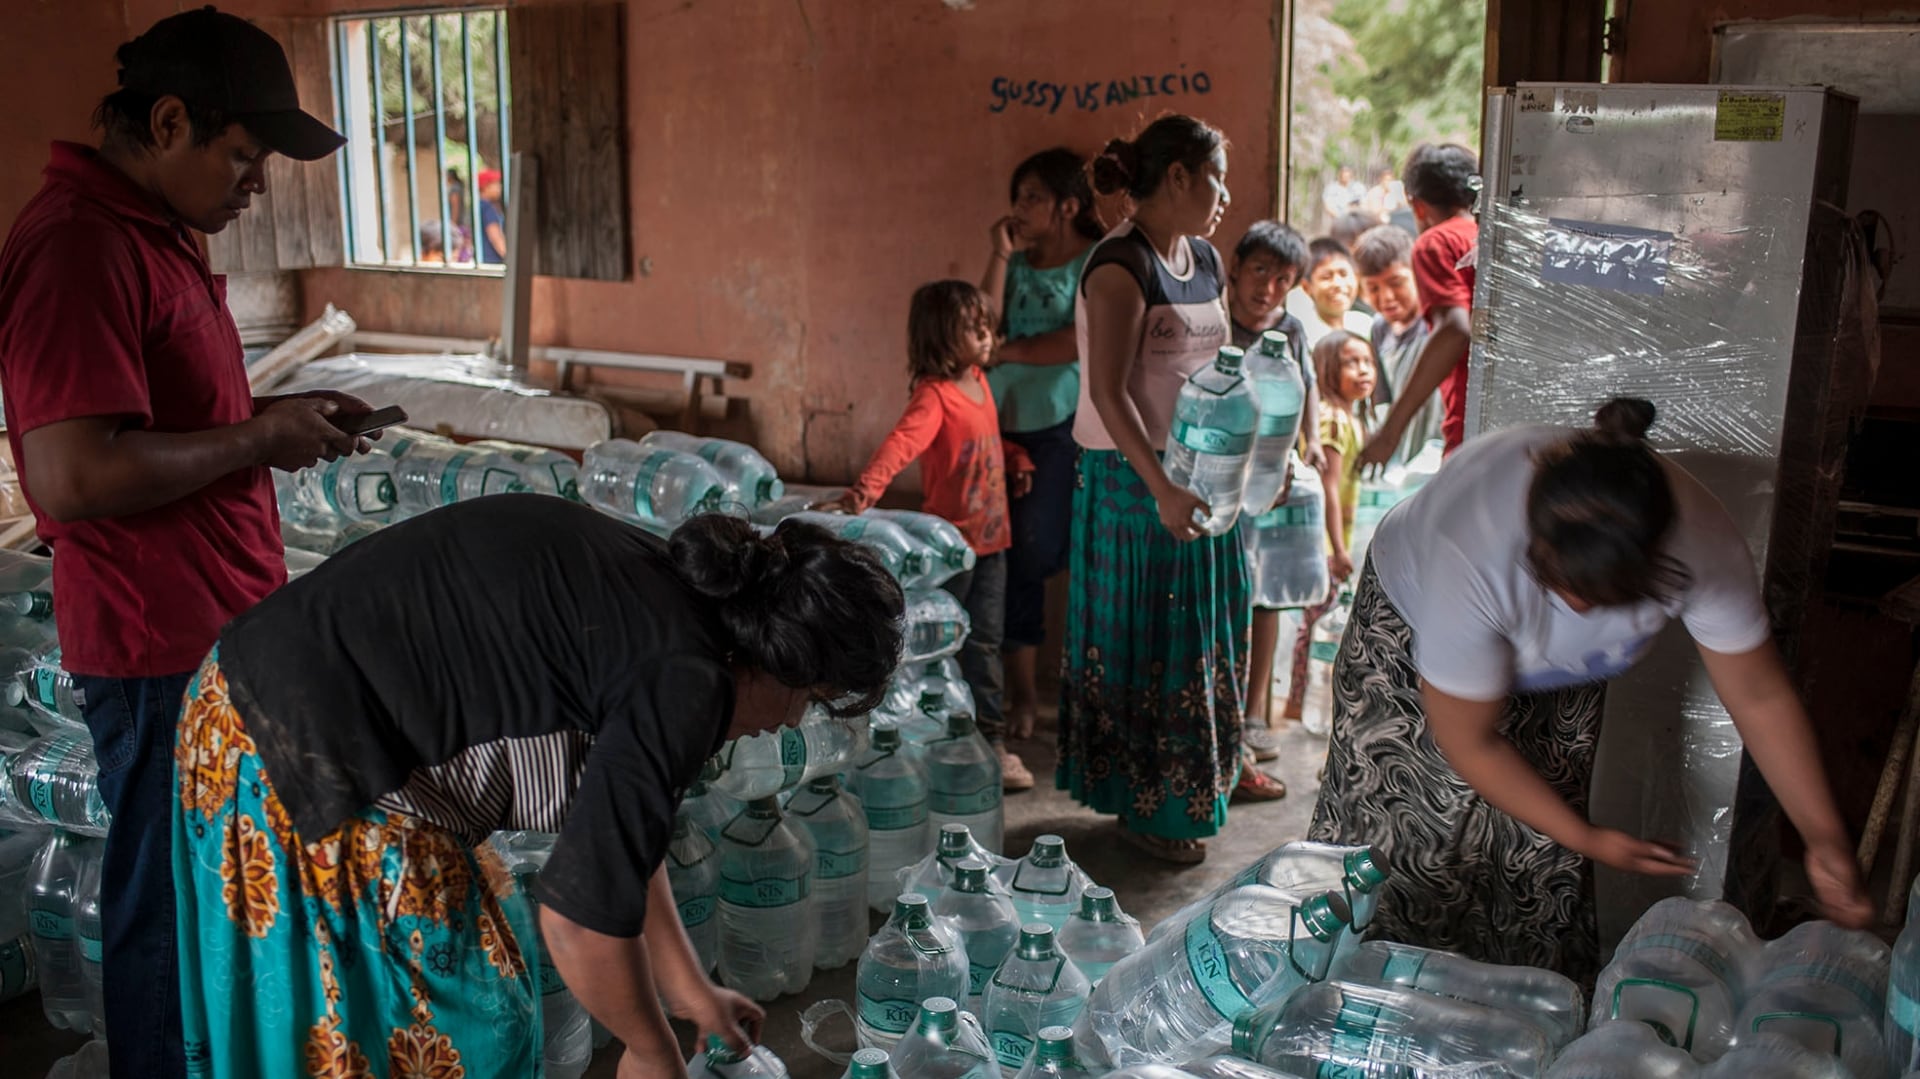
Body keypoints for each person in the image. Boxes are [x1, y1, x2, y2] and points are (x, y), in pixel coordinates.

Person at [173, 500, 905, 1078]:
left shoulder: (680, 604)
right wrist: (649, 1048)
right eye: (807, 700)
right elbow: (577, 919)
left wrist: (687, 990)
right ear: (780, 662)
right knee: (477, 1033)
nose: (785, 724)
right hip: (298, 757)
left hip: (245, 707)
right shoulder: (687, 679)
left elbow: (617, 842)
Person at [0, 10, 367, 1076]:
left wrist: (279, 423)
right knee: (165, 892)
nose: (254, 185)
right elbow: (72, 472)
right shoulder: (78, 246)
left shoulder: (151, 234)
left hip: (211, 623)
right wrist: (256, 434)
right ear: (168, 122)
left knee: (216, 883)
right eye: (242, 156)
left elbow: (168, 419)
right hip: (156, 642)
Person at [1308, 399, 1873, 980]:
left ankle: (1507, 1017)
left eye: (1602, 599)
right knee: (1405, 845)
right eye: (1561, 585)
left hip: (1560, 675)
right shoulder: (1474, 548)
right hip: (1411, 632)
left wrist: (1822, 837)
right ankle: (1369, 1002)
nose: (1575, 605)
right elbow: (1470, 743)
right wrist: (1590, 837)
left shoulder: (1699, 543)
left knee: (1535, 858)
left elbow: (1759, 695)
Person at [1059, 113, 1247, 863]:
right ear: (1177, 177)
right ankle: (1145, 806)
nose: (1224, 194)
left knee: (1199, 632)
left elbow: (1216, 367)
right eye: (1216, 178)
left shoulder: (1203, 257)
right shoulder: (1119, 266)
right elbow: (1109, 392)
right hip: (1134, 483)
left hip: (1198, 473)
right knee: (1148, 640)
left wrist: (1248, 451)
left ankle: (1195, 786)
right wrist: (1164, 487)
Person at [816, 281, 1034, 788]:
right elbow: (900, 446)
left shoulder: (979, 381)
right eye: (971, 326)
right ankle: (929, 733)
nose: (986, 332)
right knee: (936, 643)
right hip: (949, 554)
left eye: (986, 322)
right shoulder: (934, 396)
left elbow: (987, 441)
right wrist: (858, 497)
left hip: (994, 548)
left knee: (985, 642)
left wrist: (1016, 459)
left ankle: (991, 742)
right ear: (940, 336)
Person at [978, 148, 1102, 752]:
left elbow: (1075, 344)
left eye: (1031, 198)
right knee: (1015, 561)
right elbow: (983, 321)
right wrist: (1000, 255)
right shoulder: (1018, 264)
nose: (1018, 210)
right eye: (1017, 198)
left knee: (1046, 552)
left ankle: (1076, 693)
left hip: (1058, 431)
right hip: (998, 428)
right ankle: (1023, 692)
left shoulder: (1092, 266)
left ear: (1067, 206)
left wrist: (1006, 352)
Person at [1225, 219, 1321, 772]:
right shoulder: (1213, 323)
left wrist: (1311, 444)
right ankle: (1222, 706)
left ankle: (1255, 713)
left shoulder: (1290, 330)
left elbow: (1305, 388)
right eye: (1260, 271)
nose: (1268, 288)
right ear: (1236, 268)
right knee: (1226, 592)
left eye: (1283, 279)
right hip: (1220, 480)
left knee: (1265, 595)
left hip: (1271, 480)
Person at [1359, 143, 1477, 467]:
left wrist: (1390, 432)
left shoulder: (1436, 242)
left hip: (1470, 427)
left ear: (1418, 206)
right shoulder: (1491, 235)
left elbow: (1455, 328)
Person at [1283, 331, 1374, 722]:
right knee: (1314, 627)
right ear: (1326, 370)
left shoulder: (1350, 417)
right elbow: (1328, 487)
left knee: (1314, 623)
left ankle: (1297, 702)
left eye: (1368, 361)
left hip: (1327, 540)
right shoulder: (1334, 421)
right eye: (1351, 362)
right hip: (1321, 543)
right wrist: (1338, 549)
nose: (1364, 370)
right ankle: (1295, 703)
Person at [1352, 224, 1438, 463]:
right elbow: (1382, 398)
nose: (1386, 297)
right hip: (1403, 454)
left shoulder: (1436, 324)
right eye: (1373, 289)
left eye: (1397, 282)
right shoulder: (1378, 328)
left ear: (1417, 273)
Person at [1286, 238, 1374, 347]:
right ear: (1306, 287)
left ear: (1356, 277)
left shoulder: (1365, 325)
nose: (1337, 284)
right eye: (1326, 277)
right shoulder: (1302, 335)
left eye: (1343, 274)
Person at [1320, 165, 1365, 233]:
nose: (1346, 178)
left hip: (1355, 219)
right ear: (1339, 176)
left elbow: (1364, 203)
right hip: (1338, 220)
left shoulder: (1358, 187)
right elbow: (1328, 207)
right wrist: (1340, 218)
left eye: (1348, 176)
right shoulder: (1331, 188)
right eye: (1344, 176)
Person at [478, 166, 507, 265]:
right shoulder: (487, 207)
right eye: (496, 184)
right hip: (493, 261)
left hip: (482, 259)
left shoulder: (477, 205)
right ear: (485, 186)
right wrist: (508, 257)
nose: (500, 188)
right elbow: (495, 235)